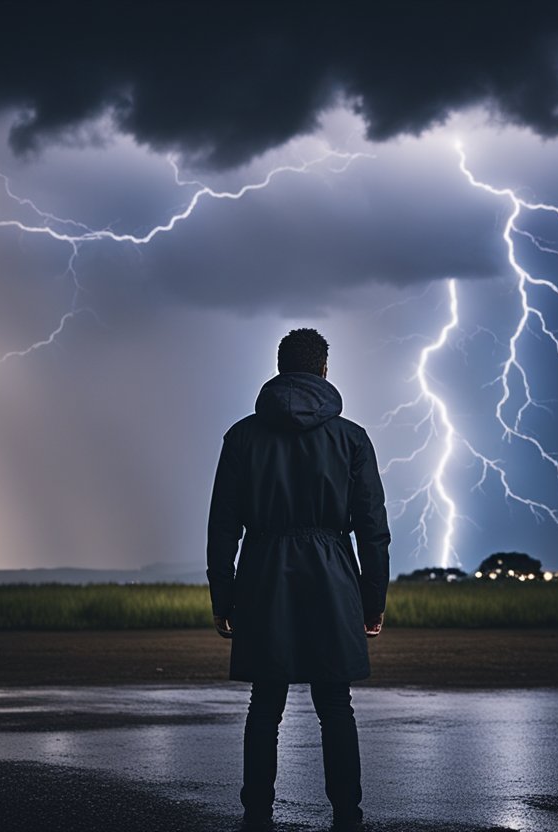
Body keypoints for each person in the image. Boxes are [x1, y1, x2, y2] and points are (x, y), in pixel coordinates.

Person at [206, 327, 391, 832]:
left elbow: (223, 527)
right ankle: (347, 818)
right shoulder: (351, 438)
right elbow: (373, 528)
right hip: (333, 577)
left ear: (280, 368)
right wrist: (372, 601)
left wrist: (223, 598)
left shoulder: (242, 436)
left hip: (263, 575)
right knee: (335, 704)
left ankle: (256, 818)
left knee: (265, 702)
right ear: (325, 370)